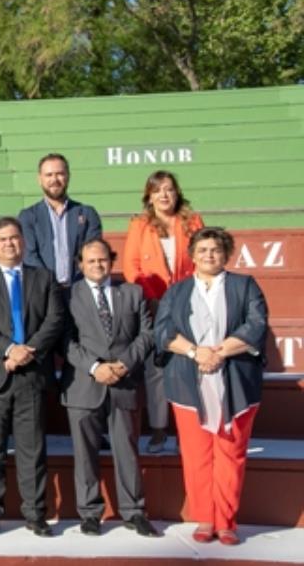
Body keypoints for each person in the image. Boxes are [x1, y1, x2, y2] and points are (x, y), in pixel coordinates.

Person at [156, 227, 267, 546]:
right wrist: (196, 352)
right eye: (202, 250)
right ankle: (205, 518)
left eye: (216, 249)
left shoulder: (244, 286)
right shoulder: (176, 291)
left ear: (226, 253)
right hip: (188, 381)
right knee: (196, 454)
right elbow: (163, 331)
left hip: (235, 380)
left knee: (231, 452)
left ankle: (227, 521)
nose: (209, 255)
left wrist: (218, 352)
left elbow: (256, 324)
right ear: (192, 255)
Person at [0, 217, 66, 537]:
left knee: (32, 448)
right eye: (3, 240)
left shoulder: (44, 277)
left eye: (14, 238)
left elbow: (54, 319)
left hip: (32, 376)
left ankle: (35, 512)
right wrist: (9, 349)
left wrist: (28, 350)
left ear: (23, 241)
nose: (10, 244)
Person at [62, 239, 159, 538]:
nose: (97, 265)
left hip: (124, 382)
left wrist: (124, 364)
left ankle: (133, 511)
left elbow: (147, 334)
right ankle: (90, 513)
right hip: (83, 385)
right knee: (85, 452)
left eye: (102, 260)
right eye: (90, 261)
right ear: (80, 264)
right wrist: (95, 367)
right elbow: (65, 340)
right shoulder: (67, 297)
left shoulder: (132, 293)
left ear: (111, 261)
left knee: (127, 450)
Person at [122, 170, 205, 454]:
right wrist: (152, 298)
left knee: (188, 366)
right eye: (157, 190)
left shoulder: (192, 221)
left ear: (177, 192)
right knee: (156, 368)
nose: (164, 195)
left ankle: (188, 430)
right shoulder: (140, 225)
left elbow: (201, 260)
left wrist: (186, 298)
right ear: (149, 196)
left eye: (169, 189)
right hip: (153, 304)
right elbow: (132, 267)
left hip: (188, 304)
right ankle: (159, 429)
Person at [18, 153, 102, 287]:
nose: (54, 179)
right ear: (39, 179)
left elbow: (93, 252)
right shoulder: (28, 216)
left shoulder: (87, 213)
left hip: (80, 288)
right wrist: (49, 283)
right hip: (44, 290)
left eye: (59, 174)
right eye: (49, 175)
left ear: (68, 176)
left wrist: (79, 281)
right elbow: (29, 256)